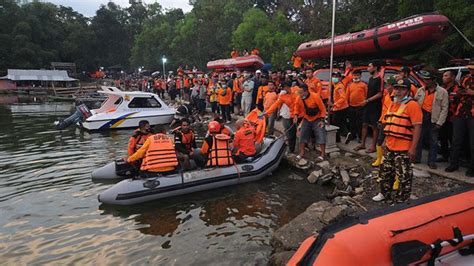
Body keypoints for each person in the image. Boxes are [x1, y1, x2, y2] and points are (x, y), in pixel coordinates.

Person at [372, 79, 422, 203]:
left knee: (404, 176)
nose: (398, 91)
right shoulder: (393, 103)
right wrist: (384, 141)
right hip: (390, 145)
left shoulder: (412, 105)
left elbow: (417, 127)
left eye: (402, 88)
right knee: (385, 172)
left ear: (408, 91)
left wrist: (413, 148)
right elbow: (390, 123)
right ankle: (384, 193)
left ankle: (402, 199)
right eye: (396, 88)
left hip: (404, 148)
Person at [413, 70, 449, 169]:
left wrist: (440, 122)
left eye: (428, 80)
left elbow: (444, 108)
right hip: (421, 116)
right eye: (425, 79)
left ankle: (431, 161)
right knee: (418, 138)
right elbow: (415, 103)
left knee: (433, 141)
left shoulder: (442, 92)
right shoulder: (421, 90)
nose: (426, 81)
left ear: (434, 80)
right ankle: (416, 157)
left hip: (434, 118)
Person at [445, 61, 474, 176]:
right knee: (456, 140)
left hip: (472, 114)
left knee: (473, 143)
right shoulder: (465, 77)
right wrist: (458, 94)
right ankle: (453, 163)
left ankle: (472, 168)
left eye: (472, 68)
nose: (471, 70)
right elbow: (460, 90)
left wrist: (472, 93)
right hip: (460, 113)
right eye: (470, 68)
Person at [355, 61, 383, 153]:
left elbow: (380, 94)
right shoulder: (371, 78)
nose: (368, 68)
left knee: (374, 127)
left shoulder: (380, 79)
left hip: (375, 106)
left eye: (369, 66)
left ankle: (373, 147)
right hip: (367, 106)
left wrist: (367, 100)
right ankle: (362, 144)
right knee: (364, 124)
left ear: (375, 68)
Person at [293, 84, 327, 161]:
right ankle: (302, 153)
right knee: (302, 135)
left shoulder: (315, 96)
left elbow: (323, 109)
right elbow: (296, 108)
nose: (300, 94)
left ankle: (322, 154)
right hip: (306, 118)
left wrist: (322, 120)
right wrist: (295, 115)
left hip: (317, 118)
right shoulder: (299, 98)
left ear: (306, 91)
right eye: (299, 92)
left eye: (301, 92)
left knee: (321, 134)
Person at [265, 81, 297, 152]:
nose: (283, 90)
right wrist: (267, 112)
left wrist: (296, 115)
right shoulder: (282, 95)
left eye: (284, 88)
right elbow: (276, 104)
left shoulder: (296, 91)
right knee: (288, 132)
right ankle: (291, 148)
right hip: (286, 115)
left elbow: (298, 104)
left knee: (293, 132)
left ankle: (292, 148)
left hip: (296, 115)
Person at [372, 77, 396, 167]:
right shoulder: (386, 95)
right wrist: (380, 120)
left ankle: (386, 160)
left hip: (391, 122)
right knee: (379, 140)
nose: (386, 86)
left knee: (388, 143)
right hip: (383, 121)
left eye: (388, 85)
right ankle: (379, 158)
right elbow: (384, 109)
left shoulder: (395, 98)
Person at [439, 70, 460, 162]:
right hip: (443, 116)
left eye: (446, 76)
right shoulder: (442, 88)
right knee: (443, 137)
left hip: (453, 117)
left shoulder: (457, 89)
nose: (443, 77)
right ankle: (445, 156)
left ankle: (455, 158)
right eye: (443, 76)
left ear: (452, 77)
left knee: (453, 139)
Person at [345, 70, 367, 144]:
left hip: (360, 106)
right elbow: (347, 96)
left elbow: (366, 95)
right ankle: (353, 135)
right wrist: (347, 104)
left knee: (359, 123)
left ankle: (360, 137)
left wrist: (365, 102)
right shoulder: (350, 85)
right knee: (351, 122)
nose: (356, 77)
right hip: (351, 106)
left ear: (360, 76)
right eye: (354, 75)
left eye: (357, 75)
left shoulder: (363, 85)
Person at [330, 72, 349, 143]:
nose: (334, 78)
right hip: (340, 107)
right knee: (341, 123)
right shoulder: (335, 85)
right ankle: (345, 135)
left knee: (336, 124)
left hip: (340, 108)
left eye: (336, 76)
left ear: (340, 78)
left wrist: (334, 104)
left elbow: (343, 98)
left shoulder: (339, 87)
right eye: (333, 76)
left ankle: (339, 138)